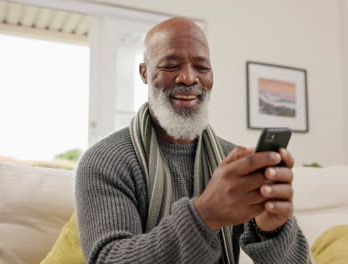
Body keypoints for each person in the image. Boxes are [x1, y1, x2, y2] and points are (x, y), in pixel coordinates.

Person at [75, 17, 309, 264]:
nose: (188, 78)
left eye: (201, 68)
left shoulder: (232, 161)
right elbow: (108, 260)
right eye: (171, 66)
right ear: (144, 73)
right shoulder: (104, 161)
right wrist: (204, 216)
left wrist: (272, 230)